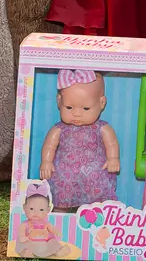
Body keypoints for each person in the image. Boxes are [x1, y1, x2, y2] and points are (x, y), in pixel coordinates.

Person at [38, 69, 121, 211]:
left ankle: (97, 213)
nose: (76, 113)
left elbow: (111, 143)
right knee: (60, 188)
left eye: (86, 108)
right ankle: (59, 213)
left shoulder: (102, 128)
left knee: (97, 191)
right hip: (65, 172)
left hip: (94, 171)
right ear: (59, 101)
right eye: (69, 107)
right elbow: (49, 146)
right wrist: (46, 161)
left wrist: (113, 158)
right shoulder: (59, 129)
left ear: (102, 103)